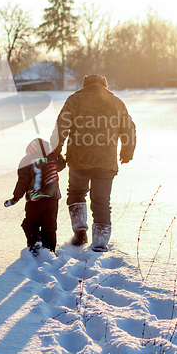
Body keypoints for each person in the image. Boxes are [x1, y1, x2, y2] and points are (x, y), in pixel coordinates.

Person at [50, 74, 136, 252]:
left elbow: (61, 127)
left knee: (76, 193)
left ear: (84, 84)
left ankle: (80, 230)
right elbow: (128, 129)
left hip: (79, 160)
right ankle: (100, 242)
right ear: (105, 85)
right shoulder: (116, 102)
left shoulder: (74, 100)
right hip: (106, 162)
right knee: (102, 202)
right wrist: (127, 152)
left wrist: (56, 152)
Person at [4, 138, 66, 256]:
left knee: (30, 224)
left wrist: (16, 197)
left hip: (35, 200)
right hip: (52, 199)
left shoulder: (26, 161)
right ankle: (50, 250)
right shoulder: (53, 159)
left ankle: (35, 242)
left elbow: (23, 181)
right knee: (50, 226)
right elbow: (62, 164)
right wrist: (60, 156)